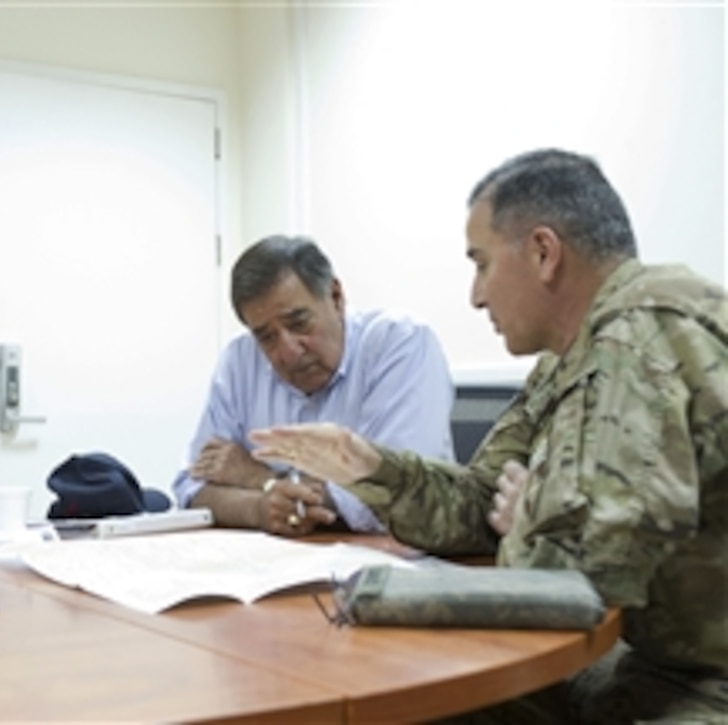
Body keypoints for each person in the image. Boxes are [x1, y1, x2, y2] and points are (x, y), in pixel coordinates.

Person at [250, 149, 728, 722]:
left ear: (544, 253)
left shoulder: (641, 339)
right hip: (635, 660)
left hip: (698, 685)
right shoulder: (568, 360)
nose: (476, 296)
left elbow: (580, 585)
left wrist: (533, 514)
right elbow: (481, 502)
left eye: (481, 264)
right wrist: (370, 467)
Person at [172, 235, 454, 537]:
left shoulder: (400, 342)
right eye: (266, 337)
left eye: (299, 323)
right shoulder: (240, 359)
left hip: (399, 565)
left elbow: (397, 497)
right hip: (279, 564)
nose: (288, 352)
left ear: (336, 297)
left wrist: (258, 478)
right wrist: (258, 509)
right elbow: (192, 488)